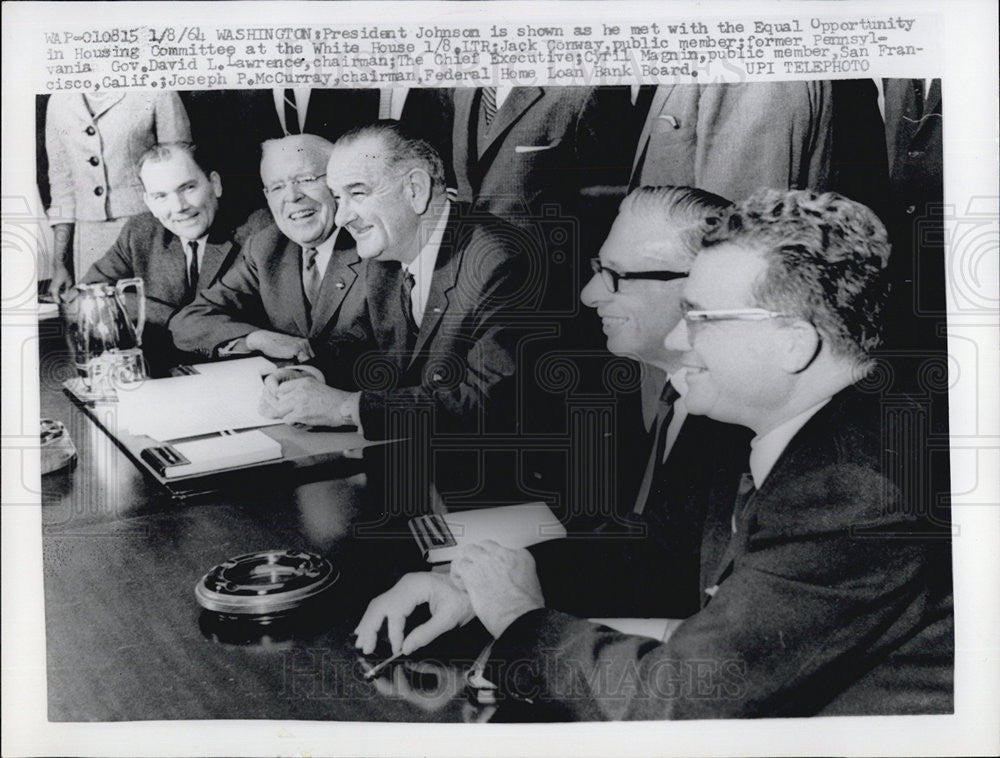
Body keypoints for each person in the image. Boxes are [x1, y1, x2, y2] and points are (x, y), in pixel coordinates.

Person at [356, 189, 954, 719]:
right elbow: (670, 560)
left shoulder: (853, 492)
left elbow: (678, 698)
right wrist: (471, 589)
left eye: (698, 317)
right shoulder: (792, 431)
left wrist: (519, 619)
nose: (673, 339)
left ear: (792, 343)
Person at [259, 121, 538, 441]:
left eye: (357, 193)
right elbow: (365, 349)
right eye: (338, 197)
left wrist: (344, 408)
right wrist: (308, 376)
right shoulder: (386, 255)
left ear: (415, 189)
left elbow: (489, 402)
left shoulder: (502, 262)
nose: (341, 217)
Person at [171, 134, 364, 362]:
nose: (292, 196)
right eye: (277, 187)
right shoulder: (267, 247)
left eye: (306, 179)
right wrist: (255, 339)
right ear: (267, 196)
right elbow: (188, 321)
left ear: (337, 185)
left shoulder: (369, 243)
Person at [80, 141, 252, 373]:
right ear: (149, 203)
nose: (178, 206)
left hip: (239, 376)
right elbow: (87, 294)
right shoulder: (140, 231)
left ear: (215, 184)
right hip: (163, 377)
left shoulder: (256, 231)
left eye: (188, 188)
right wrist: (171, 319)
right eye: (160, 196)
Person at [46, 91, 191, 299]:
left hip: (150, 231)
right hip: (88, 241)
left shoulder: (158, 90)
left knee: (156, 315)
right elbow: (62, 188)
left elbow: (181, 169)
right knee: (99, 323)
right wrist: (60, 263)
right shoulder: (59, 100)